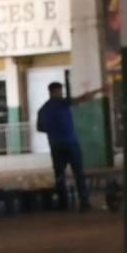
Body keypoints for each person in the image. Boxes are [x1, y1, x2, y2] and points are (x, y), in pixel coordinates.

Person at [33, 80, 89, 210]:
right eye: (60, 91)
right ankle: (84, 202)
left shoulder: (43, 109)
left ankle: (63, 203)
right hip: (70, 143)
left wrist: (52, 129)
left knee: (59, 175)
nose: (61, 93)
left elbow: (39, 128)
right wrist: (100, 90)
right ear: (55, 91)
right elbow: (82, 98)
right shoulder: (63, 103)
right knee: (79, 173)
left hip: (55, 145)